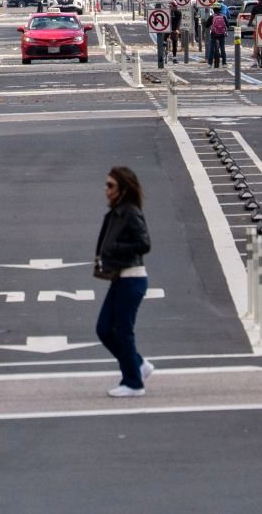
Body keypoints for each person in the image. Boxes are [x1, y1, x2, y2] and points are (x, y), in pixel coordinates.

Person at [95, 166, 155, 397]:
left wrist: (115, 248)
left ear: (123, 189)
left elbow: (144, 243)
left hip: (132, 279)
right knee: (104, 329)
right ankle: (138, 364)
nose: (106, 189)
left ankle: (133, 383)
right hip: (120, 278)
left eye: (111, 185)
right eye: (106, 185)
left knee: (122, 331)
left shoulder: (130, 212)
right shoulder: (116, 212)